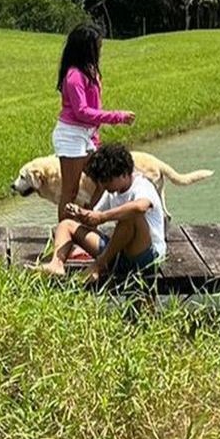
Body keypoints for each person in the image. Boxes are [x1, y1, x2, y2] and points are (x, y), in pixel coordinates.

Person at [39, 142, 165, 283]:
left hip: (146, 257)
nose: (103, 186)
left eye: (107, 181)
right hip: (117, 254)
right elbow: (95, 216)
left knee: (130, 215)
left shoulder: (142, 186)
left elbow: (140, 207)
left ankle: (98, 266)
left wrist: (102, 217)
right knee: (66, 224)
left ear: (123, 173)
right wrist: (81, 214)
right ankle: (56, 264)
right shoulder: (112, 192)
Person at [52, 23, 135, 223]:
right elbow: (82, 112)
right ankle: (65, 234)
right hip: (71, 136)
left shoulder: (90, 72)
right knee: (70, 191)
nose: (100, 50)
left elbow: (92, 109)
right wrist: (117, 117)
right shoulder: (74, 76)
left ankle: (87, 219)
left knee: (104, 179)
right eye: (97, 46)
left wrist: (95, 137)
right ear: (86, 48)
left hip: (86, 135)